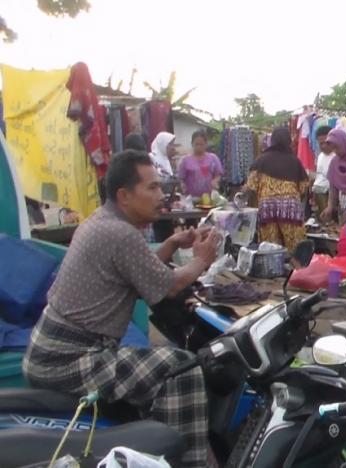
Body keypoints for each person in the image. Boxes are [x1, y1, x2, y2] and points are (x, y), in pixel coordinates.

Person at [22, 150, 223, 467]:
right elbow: (169, 285)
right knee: (182, 367)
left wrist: (170, 245)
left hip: (52, 351)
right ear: (124, 195)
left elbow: (141, 274)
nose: (161, 195)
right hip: (70, 357)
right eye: (152, 188)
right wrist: (202, 259)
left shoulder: (102, 223)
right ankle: (187, 463)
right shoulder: (119, 233)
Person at [244, 127, 309, 252]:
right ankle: (296, 270)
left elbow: (251, 185)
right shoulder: (295, 161)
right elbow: (303, 187)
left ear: (272, 141)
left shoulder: (261, 159)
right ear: (289, 141)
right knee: (294, 247)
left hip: (267, 207)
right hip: (290, 207)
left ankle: (274, 270)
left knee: (270, 247)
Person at [178, 130, 223, 200]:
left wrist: (215, 181)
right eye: (196, 144)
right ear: (192, 144)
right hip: (191, 198)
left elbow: (218, 174)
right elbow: (181, 179)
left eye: (201, 144)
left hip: (209, 198)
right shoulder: (185, 160)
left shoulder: (213, 158)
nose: (199, 147)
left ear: (206, 144)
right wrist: (183, 186)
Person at [312, 125, 335, 220]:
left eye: (326, 143)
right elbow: (319, 175)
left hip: (329, 197)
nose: (324, 146)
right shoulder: (320, 156)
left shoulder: (337, 157)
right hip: (318, 195)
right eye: (320, 143)